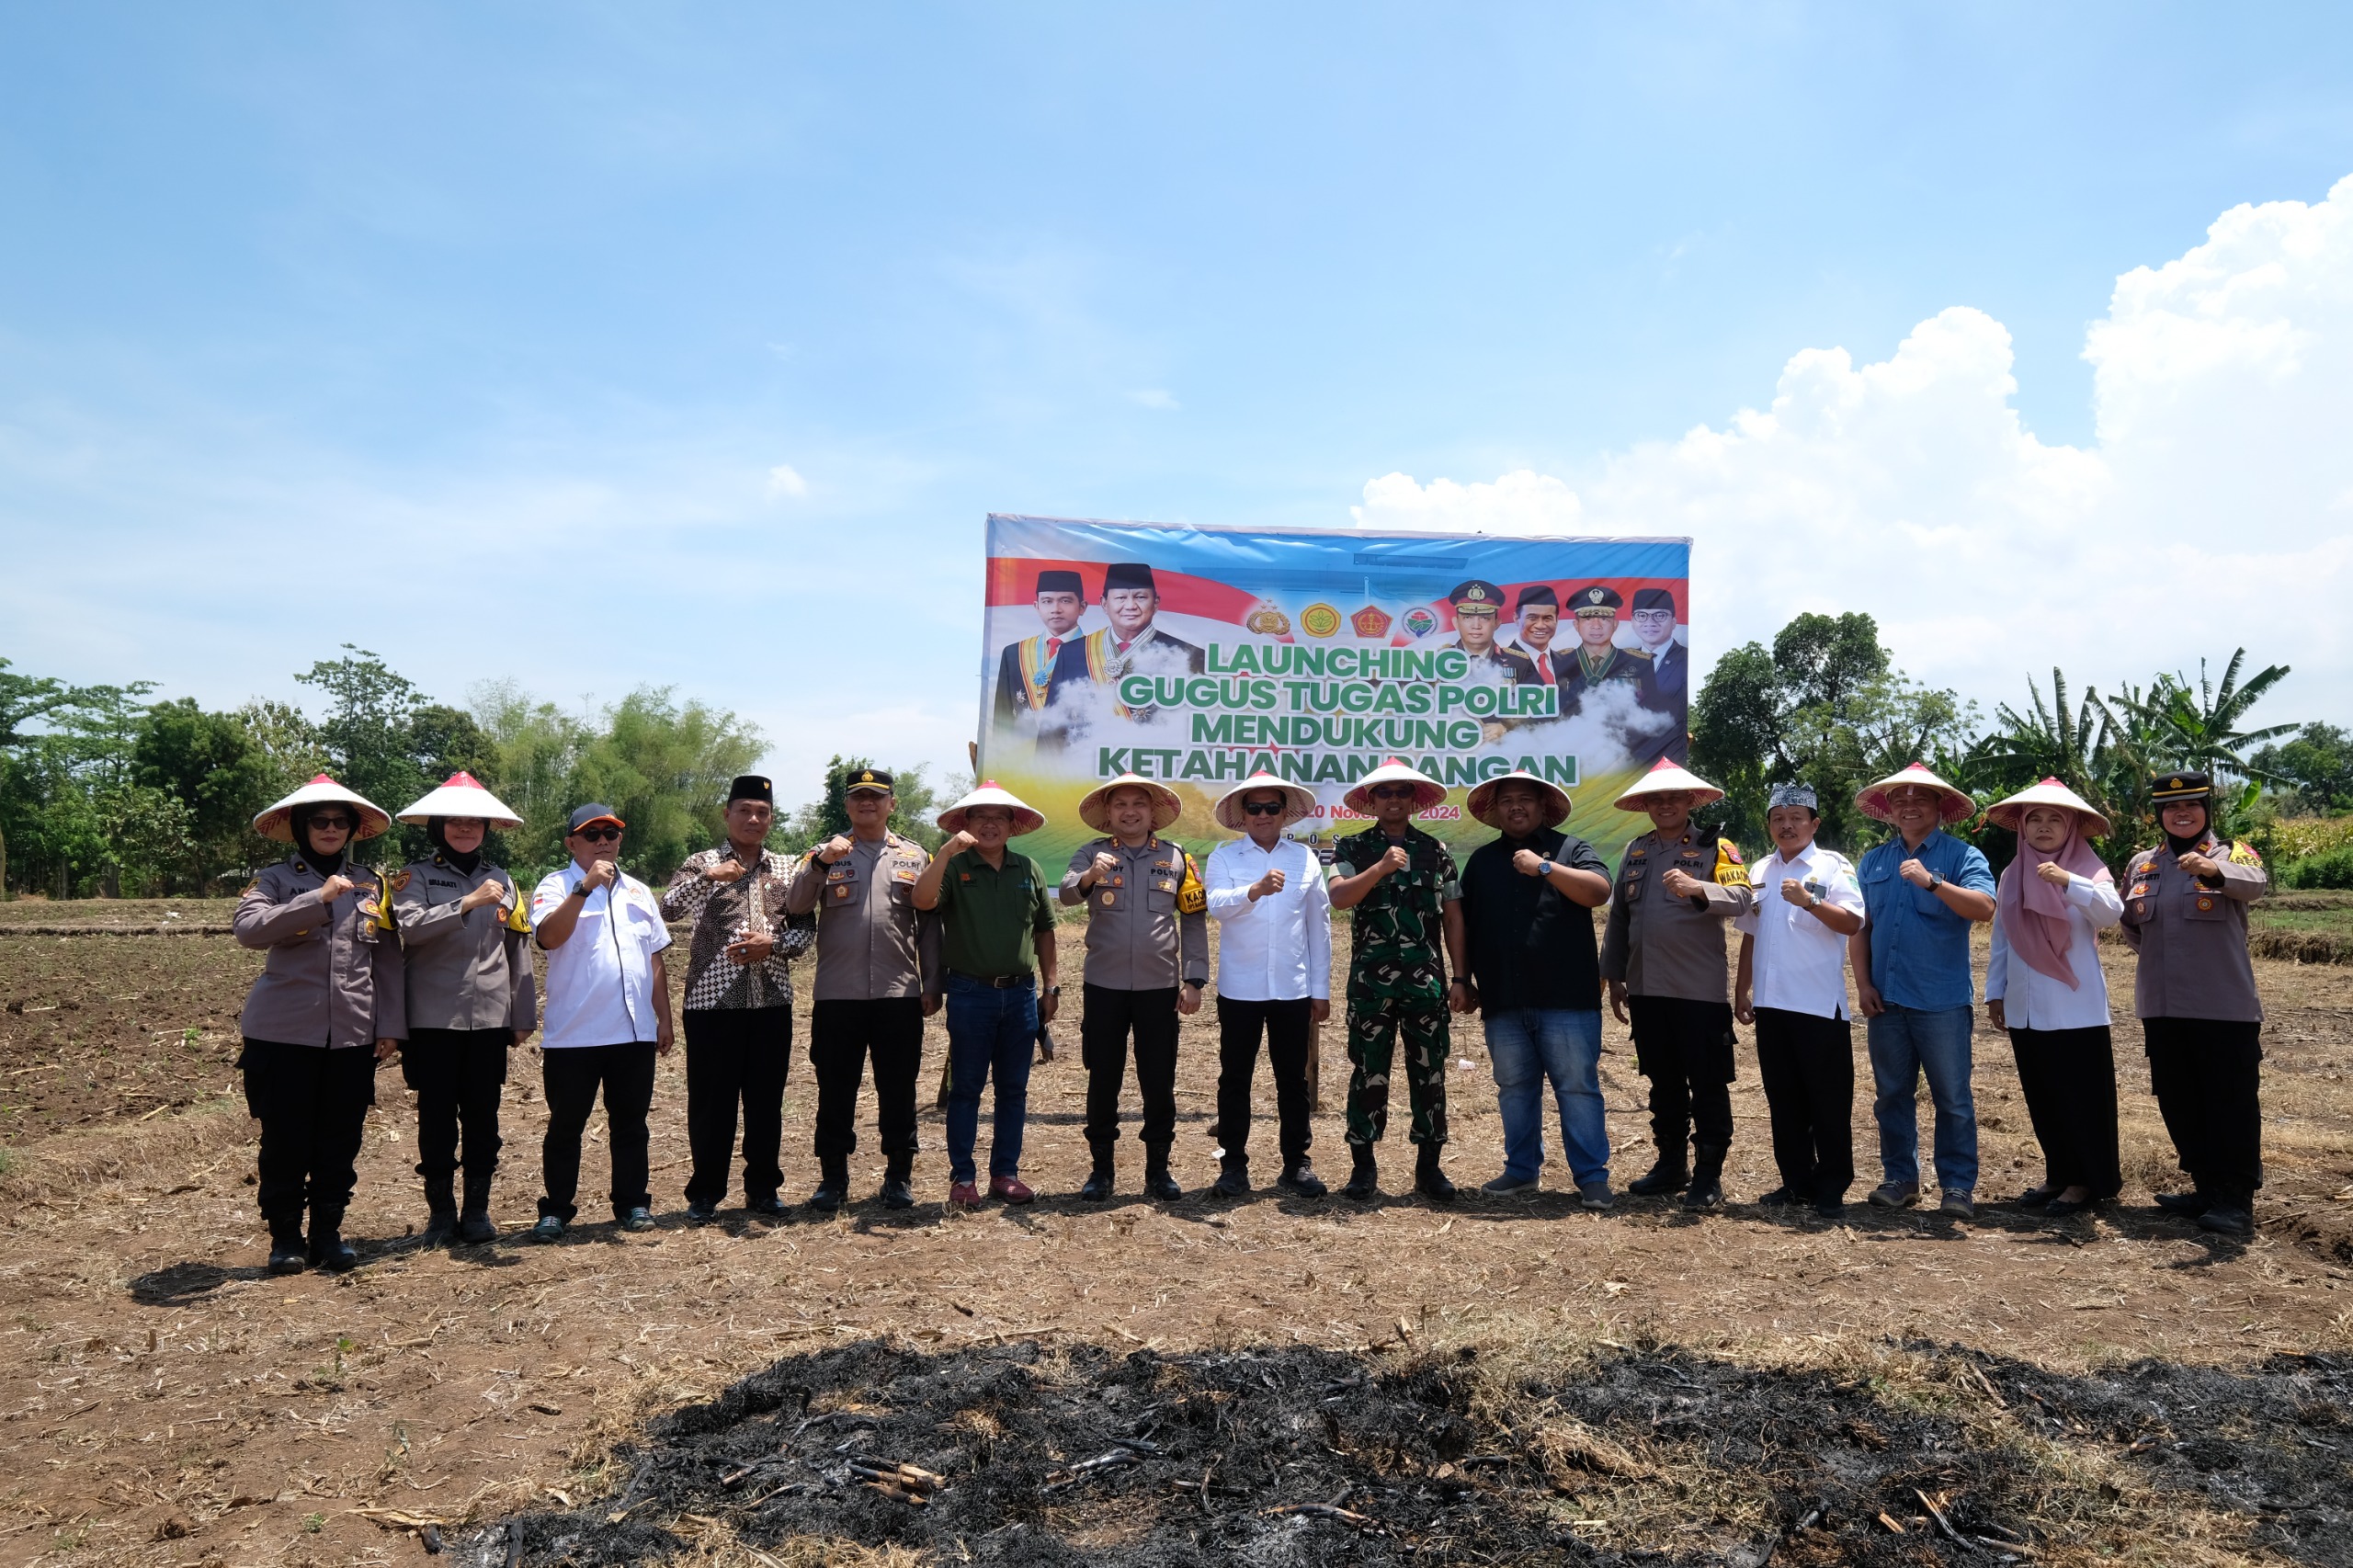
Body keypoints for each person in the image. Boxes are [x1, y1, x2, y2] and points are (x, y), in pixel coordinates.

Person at [233, 775, 406, 1274]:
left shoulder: (374, 885)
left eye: (339, 822)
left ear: (352, 829)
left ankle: (328, 1233)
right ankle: (285, 1237)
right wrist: (318, 899)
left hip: (352, 1034)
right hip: (284, 1034)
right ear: (301, 827)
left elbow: (388, 961)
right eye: (320, 821)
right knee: (285, 1138)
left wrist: (390, 1025)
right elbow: (248, 930)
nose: (330, 829)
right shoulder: (274, 880)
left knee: (340, 1138)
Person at [2119, 770, 2270, 1238]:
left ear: (2207, 809)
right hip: (2163, 1005)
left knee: (2230, 1102)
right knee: (2179, 1099)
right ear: (2159, 815)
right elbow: (2129, 924)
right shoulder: (2142, 863)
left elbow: (2256, 884)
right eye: (2170, 808)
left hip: (2222, 1005)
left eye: (2191, 806)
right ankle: (2204, 1188)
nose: (2180, 813)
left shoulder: (2231, 853)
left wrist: (2212, 871)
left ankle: (2235, 1200)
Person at [1597, 757, 1754, 1210]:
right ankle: (1670, 1164)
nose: (1665, 805)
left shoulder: (1716, 847)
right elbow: (1620, 919)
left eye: (1674, 797)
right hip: (1646, 988)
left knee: (1707, 1082)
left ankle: (1708, 1176)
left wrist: (1697, 887)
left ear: (1690, 801)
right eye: (1657, 798)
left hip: (1697, 990)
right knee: (1662, 1080)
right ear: (1646, 804)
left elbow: (1744, 898)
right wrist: (1615, 974)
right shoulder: (1636, 851)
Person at [390, 770, 537, 1247]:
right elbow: (408, 928)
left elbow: (518, 948)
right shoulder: (413, 877)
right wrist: (467, 903)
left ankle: (476, 1211)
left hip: (489, 1019)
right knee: (434, 1116)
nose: (466, 829)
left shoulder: (502, 879)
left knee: (483, 1117)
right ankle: (440, 1214)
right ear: (438, 826)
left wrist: (522, 1014)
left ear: (486, 829)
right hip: (433, 1019)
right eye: (455, 822)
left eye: (475, 822)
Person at [661, 775, 814, 1222]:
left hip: (772, 1000)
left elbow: (805, 929)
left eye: (762, 812)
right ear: (726, 815)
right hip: (711, 1005)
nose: (753, 819)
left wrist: (775, 945)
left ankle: (764, 1189)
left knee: (767, 1100)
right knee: (712, 1101)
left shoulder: (787, 869)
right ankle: (705, 1192)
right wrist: (710, 877)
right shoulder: (701, 862)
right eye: (744, 810)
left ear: (771, 818)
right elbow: (668, 909)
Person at [1458, 768, 1615, 1207]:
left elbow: (1599, 891)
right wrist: (1464, 979)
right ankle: (1521, 1170)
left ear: (1543, 806)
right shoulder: (1483, 861)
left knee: (1578, 1087)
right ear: (1496, 810)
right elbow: (1464, 925)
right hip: (1503, 999)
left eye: (1525, 798)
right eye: (1506, 800)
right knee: (1514, 1087)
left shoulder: (1570, 849)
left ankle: (1591, 1176)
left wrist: (1544, 866)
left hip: (1567, 998)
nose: (1516, 806)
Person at [785, 767, 938, 1211]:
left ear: (892, 803)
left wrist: (933, 983)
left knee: (899, 1087)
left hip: (899, 994)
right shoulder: (823, 853)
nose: (866, 803)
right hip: (838, 995)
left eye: (876, 796)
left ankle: (898, 1177)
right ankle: (833, 1178)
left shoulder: (914, 856)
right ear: (847, 805)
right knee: (835, 1087)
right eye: (858, 797)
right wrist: (820, 864)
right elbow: (795, 905)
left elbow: (928, 927)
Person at [1849, 763, 1997, 1219]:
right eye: (1900, 799)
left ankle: (1956, 1187)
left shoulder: (1962, 856)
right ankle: (1900, 1179)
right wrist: (1863, 983)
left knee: (1952, 1097)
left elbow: (1985, 908)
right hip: (1886, 999)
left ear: (1939, 807)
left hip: (1941, 999)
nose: (1909, 806)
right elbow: (1860, 926)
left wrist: (1932, 882)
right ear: (1889, 810)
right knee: (1891, 1095)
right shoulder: (1873, 861)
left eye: (1920, 798)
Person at [529, 804, 675, 1239]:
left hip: (633, 1033)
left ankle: (632, 1203)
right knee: (565, 1126)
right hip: (574, 1035)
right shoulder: (555, 886)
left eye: (611, 833)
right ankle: (555, 1209)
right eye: (592, 835)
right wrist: (583, 889)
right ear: (572, 842)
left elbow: (655, 959)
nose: (604, 842)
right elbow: (549, 937)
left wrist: (663, 1019)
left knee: (630, 1124)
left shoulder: (639, 892)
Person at [1327, 757, 1469, 1203]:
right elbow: (1339, 897)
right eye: (1384, 793)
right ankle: (1363, 1168)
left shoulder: (1437, 852)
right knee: (1368, 1071)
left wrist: (1461, 977)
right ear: (1371, 801)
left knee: (1430, 1073)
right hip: (1372, 986)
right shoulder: (1351, 849)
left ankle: (1430, 1168)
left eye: (1401, 792)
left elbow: (1453, 917)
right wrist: (1381, 869)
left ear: (1414, 800)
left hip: (1426, 984)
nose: (1393, 799)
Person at [1061, 771, 1208, 1200]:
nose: (1129, 811)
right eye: (1120, 804)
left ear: (1152, 813)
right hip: (1103, 985)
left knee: (1158, 1077)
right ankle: (1101, 1170)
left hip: (1159, 986)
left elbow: (1194, 919)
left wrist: (1194, 978)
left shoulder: (1177, 857)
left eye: (1138, 804)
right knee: (1103, 1076)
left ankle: (1158, 1171)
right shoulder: (1092, 853)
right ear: (1108, 814)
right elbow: (1068, 894)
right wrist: (1090, 875)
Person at [1984, 778, 2124, 1219]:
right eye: (2035, 819)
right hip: (2025, 1005)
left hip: (2074, 1007)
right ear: (2023, 828)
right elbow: (2003, 937)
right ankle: (2058, 1173)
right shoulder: (2013, 872)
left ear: (2072, 828)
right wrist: (1995, 992)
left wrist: (2069, 882)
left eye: (2054, 820)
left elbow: (2111, 912)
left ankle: (2086, 1181)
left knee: (2079, 1096)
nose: (2043, 827)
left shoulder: (2089, 869)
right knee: (2043, 1095)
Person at [914, 781, 1059, 1208]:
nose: (990, 824)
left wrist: (1051, 986)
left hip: (1020, 996)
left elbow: (1046, 931)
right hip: (969, 993)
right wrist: (944, 853)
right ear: (966, 824)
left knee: (1013, 1089)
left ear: (1012, 826)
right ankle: (963, 1179)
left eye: (999, 817)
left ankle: (1005, 1174)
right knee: (967, 1089)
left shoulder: (1028, 869)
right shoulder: (955, 869)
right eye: (980, 817)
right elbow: (922, 902)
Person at [1733, 783, 1867, 1220]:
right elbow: (1750, 936)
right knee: (1784, 1100)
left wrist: (1810, 901)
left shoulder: (1833, 865)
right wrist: (1741, 990)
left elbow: (1852, 922)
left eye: (1796, 817)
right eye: (1778, 818)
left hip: (1818, 1006)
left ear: (1815, 823)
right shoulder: (1760, 869)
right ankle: (1795, 1182)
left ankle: (1831, 1187)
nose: (1786, 825)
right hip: (1772, 1005)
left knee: (1827, 1102)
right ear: (1769, 824)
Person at [1202, 771, 1332, 1199]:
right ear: (1242, 814)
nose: (1262, 815)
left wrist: (1321, 989)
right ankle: (1233, 1167)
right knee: (1235, 1078)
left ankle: (1297, 1164)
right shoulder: (1224, 857)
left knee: (1292, 1079)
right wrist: (1253, 891)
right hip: (1240, 989)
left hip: (1293, 990)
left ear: (1284, 814)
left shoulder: (1304, 860)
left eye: (1271, 807)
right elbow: (1216, 906)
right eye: (1253, 807)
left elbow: (1320, 926)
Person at [993, 569, 1094, 730]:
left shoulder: (1097, 653)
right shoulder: (1014, 653)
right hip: (1023, 750)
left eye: (1066, 601)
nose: (1056, 609)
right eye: (1047, 601)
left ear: (1082, 607)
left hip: (1077, 751)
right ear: (1036, 606)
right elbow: (1002, 716)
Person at [1556, 585, 1648, 716]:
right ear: (1576, 625)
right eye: (1588, 619)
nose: (1596, 626)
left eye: (1604, 619)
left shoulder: (1640, 663)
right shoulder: (1559, 663)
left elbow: (1652, 709)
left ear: (1615, 625)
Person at [1444, 579, 1539, 683]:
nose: (1476, 626)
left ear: (1497, 623)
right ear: (1456, 623)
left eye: (1485, 618)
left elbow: (1538, 698)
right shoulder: (1437, 660)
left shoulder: (1520, 662)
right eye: (1467, 617)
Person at [1629, 588, 1688, 710]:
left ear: (1673, 622)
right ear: (1632, 622)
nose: (1650, 622)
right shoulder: (1624, 661)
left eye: (1660, 615)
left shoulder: (1686, 658)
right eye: (1641, 615)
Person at [1506, 585, 1563, 687]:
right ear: (1516, 619)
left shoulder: (1567, 662)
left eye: (1547, 618)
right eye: (1532, 618)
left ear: (1557, 620)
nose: (1540, 626)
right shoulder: (1498, 662)